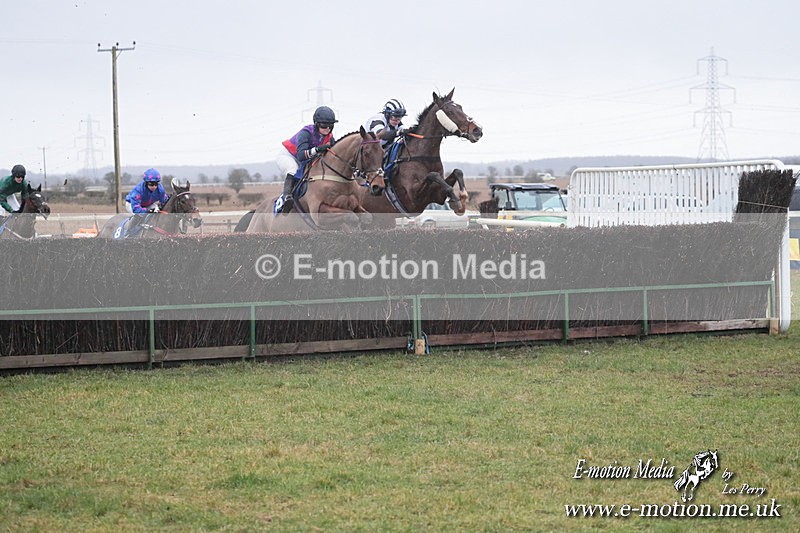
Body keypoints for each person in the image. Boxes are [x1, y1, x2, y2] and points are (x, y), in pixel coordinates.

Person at [276, 106, 337, 214]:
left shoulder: (330, 137)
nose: (327, 128)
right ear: (317, 124)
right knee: (292, 169)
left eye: (330, 125)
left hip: (305, 159)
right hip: (289, 156)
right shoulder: (306, 132)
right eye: (324, 125)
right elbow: (300, 156)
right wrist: (317, 149)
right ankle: (287, 197)